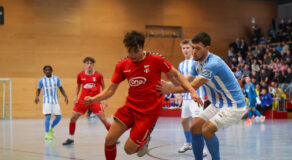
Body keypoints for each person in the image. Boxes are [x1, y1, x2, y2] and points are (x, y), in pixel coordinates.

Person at [84, 31, 202, 160]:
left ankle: (145, 139)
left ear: (142, 47)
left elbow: (176, 74)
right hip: (130, 108)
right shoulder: (122, 64)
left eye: (136, 51)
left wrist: (192, 91)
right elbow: (111, 90)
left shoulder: (156, 59)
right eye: (129, 51)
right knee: (109, 139)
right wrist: (94, 99)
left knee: (129, 150)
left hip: (148, 113)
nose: (132, 55)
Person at [157, 32, 247, 160]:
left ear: (207, 48)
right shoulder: (196, 62)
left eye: (197, 48)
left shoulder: (213, 63)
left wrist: (168, 91)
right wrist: (170, 84)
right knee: (195, 128)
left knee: (207, 130)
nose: (194, 51)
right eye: (193, 47)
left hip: (233, 106)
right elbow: (186, 80)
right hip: (218, 104)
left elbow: (193, 86)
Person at [62, 57, 111, 145]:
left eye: (91, 63)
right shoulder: (80, 75)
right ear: (84, 64)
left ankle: (114, 137)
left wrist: (104, 99)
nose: (89, 65)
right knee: (73, 118)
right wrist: (76, 97)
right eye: (87, 63)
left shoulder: (98, 75)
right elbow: (78, 86)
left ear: (93, 64)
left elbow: (104, 88)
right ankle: (71, 138)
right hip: (82, 100)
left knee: (103, 119)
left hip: (95, 100)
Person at [173, 39, 207, 156]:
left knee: (197, 123)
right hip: (186, 97)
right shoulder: (181, 64)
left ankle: (201, 147)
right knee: (184, 121)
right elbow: (180, 80)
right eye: (183, 48)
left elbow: (197, 79)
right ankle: (188, 143)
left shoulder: (196, 62)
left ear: (192, 49)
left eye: (188, 48)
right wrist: (178, 93)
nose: (186, 50)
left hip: (197, 96)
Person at [35, 65, 68, 140]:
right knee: (48, 116)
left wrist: (65, 96)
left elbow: (61, 88)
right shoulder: (41, 80)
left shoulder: (56, 78)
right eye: (46, 70)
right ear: (44, 71)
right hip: (46, 101)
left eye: (49, 70)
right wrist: (36, 97)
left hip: (55, 101)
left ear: (51, 71)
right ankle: (46, 134)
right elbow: (38, 90)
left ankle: (51, 127)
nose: (47, 71)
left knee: (59, 117)